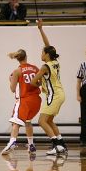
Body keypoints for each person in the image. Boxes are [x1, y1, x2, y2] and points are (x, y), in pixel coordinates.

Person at [31, 19, 67, 156]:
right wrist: (40, 29)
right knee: (49, 121)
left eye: (42, 52)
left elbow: (33, 82)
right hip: (60, 93)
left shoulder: (45, 67)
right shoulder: (54, 61)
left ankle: (56, 146)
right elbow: (48, 46)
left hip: (54, 95)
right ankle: (61, 143)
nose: (41, 53)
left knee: (41, 121)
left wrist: (40, 84)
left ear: (46, 55)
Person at [1, 49, 41, 155]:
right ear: (26, 56)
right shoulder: (35, 68)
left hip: (25, 100)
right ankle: (31, 145)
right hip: (36, 100)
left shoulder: (17, 71)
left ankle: (12, 141)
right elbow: (40, 82)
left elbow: (13, 89)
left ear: (17, 59)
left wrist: (11, 80)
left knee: (15, 122)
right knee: (27, 122)